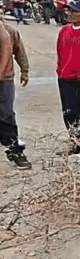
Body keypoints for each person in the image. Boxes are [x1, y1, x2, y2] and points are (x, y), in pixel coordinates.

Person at [56, 0, 80, 155]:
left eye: (74, 11)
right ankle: (75, 141)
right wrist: (60, 69)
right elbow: (60, 51)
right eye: (69, 10)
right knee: (68, 112)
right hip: (65, 77)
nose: (70, 14)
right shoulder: (64, 30)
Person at [0, 22, 31, 169]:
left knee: (6, 114)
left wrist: (25, 70)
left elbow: (19, 51)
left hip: (4, 79)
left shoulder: (10, 31)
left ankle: (14, 149)